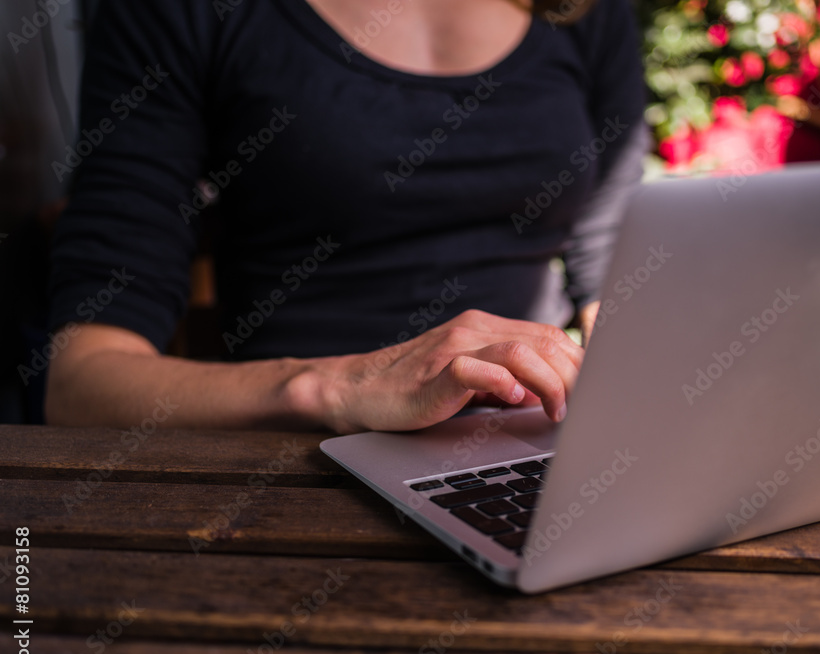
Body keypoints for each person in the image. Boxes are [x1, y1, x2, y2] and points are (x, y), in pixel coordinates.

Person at [45, 0, 648, 433]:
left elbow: (613, 270)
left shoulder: (584, 11)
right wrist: (337, 385)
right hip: (303, 455)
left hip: (530, 438)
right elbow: (81, 383)